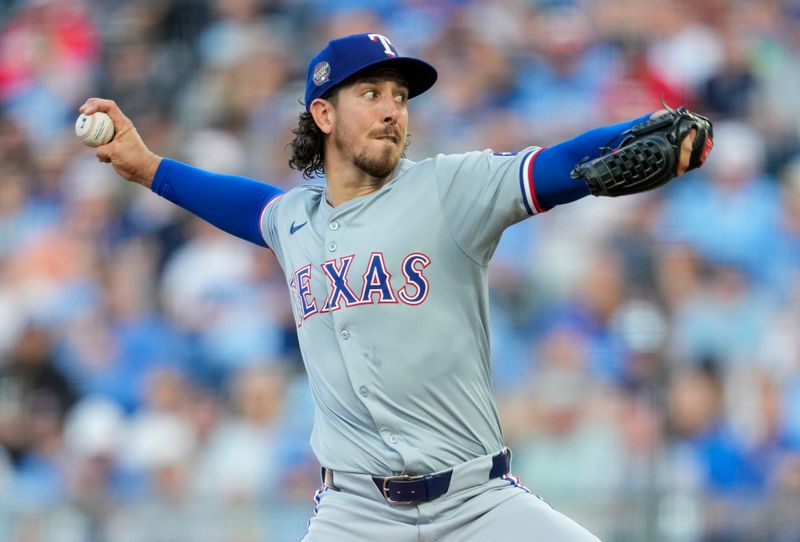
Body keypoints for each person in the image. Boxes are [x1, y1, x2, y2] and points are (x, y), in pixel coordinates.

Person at [79, 32, 712, 542]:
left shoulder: (451, 190)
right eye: (372, 93)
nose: (392, 110)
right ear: (323, 114)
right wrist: (147, 168)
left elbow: (554, 165)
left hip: (479, 506)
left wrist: (642, 129)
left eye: (401, 98)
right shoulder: (293, 221)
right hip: (355, 513)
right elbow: (244, 204)